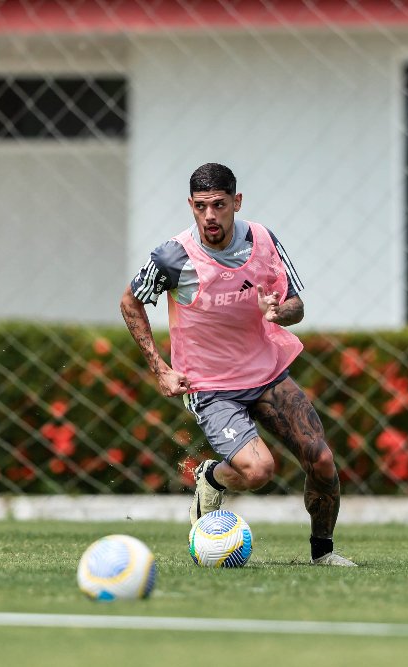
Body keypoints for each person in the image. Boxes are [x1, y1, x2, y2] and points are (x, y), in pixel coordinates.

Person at [120, 162, 356, 566]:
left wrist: (280, 312)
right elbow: (130, 301)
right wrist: (160, 368)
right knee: (259, 471)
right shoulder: (174, 257)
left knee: (322, 461)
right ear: (191, 207)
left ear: (236, 202)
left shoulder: (262, 240)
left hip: (266, 374)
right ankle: (212, 478)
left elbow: (296, 304)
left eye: (219, 204)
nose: (210, 216)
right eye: (200, 207)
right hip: (211, 388)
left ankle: (323, 554)